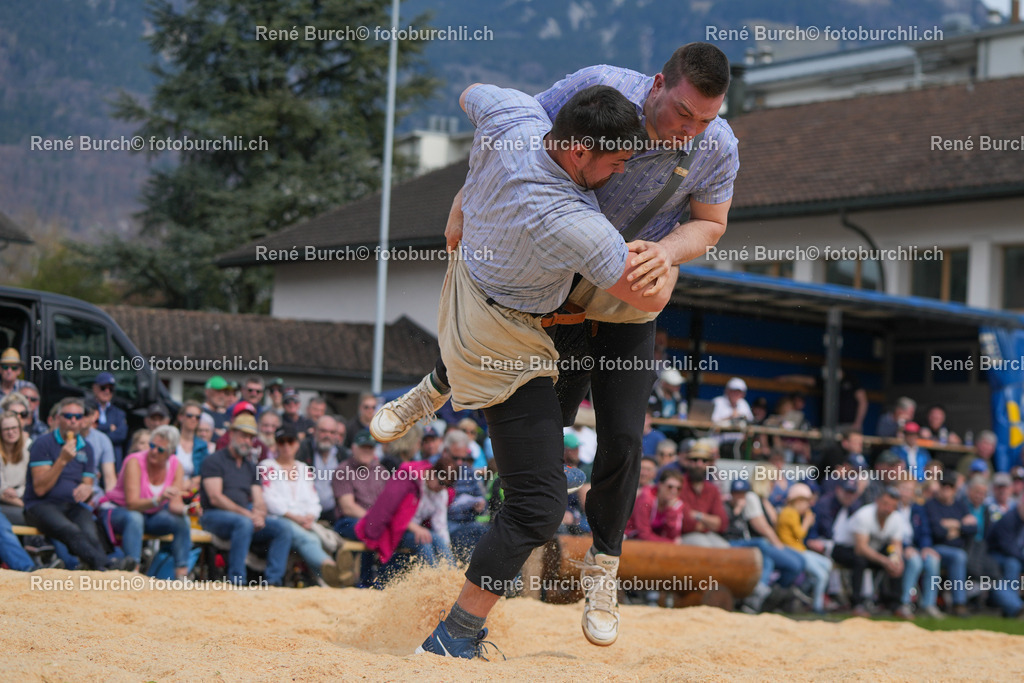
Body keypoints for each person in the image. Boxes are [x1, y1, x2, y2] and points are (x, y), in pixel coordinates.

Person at [375, 43, 736, 655]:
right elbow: (519, 135)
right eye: (682, 114)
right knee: (540, 434)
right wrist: (469, 196)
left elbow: (712, 223)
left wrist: (669, 255)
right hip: (563, 275)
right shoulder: (592, 94)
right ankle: (442, 392)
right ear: (655, 85)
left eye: (705, 118)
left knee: (624, 437)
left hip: (630, 279)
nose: (691, 130)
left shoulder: (715, 144)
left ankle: (603, 567)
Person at [23, 398, 129, 570]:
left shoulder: (86, 447)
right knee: (70, 530)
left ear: (83, 420)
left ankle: (98, 567)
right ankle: (107, 566)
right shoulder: (43, 443)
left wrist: (87, 489)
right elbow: (40, 489)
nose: (73, 421)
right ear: (58, 418)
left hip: (71, 505)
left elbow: (87, 484)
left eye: (78, 416)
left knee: (91, 532)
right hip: (40, 505)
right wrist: (62, 461)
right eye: (68, 416)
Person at [199, 413, 292, 586]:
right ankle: (237, 580)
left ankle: (273, 582)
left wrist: (259, 514)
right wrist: (248, 515)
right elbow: (215, 498)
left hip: (243, 517)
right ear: (231, 434)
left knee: (283, 528)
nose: (247, 441)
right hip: (213, 516)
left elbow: (258, 499)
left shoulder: (250, 466)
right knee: (243, 523)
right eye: (243, 435)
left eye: (250, 438)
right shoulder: (214, 461)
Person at [98, 425, 193, 577]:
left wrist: (189, 510)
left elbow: (175, 504)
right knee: (135, 518)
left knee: (183, 521)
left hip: (149, 515)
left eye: (160, 449)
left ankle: (182, 574)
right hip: (119, 511)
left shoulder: (176, 465)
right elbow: (132, 503)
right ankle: (133, 571)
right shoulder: (134, 461)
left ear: (170, 452)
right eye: (152, 446)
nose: (154, 451)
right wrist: (158, 499)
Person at [258, 423, 344, 587]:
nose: (285, 446)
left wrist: (310, 516)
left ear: (297, 444)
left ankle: (329, 577)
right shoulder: (267, 466)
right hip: (278, 519)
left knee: (310, 538)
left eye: (290, 441)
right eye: (281, 442)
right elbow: (269, 500)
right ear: (276, 444)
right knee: (308, 539)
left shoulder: (303, 468)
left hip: (304, 520)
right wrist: (296, 518)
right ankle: (331, 570)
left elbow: (314, 500)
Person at [355, 456, 459, 584]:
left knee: (438, 540)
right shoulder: (408, 480)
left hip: (414, 529)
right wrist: (415, 528)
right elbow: (389, 511)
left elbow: (440, 526)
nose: (443, 488)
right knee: (424, 542)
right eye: (442, 483)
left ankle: (452, 579)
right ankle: (435, 582)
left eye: (447, 486)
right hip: (393, 529)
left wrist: (446, 548)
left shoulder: (441, 493)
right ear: (432, 472)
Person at [724, 478, 805, 613]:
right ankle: (763, 594)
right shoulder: (737, 503)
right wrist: (737, 510)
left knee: (776, 560)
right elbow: (761, 527)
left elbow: (774, 522)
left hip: (753, 545)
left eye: (742, 493)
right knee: (769, 549)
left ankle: (768, 597)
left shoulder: (762, 501)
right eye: (736, 492)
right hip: (737, 544)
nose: (740, 496)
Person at [831, 487, 905, 617]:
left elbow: (896, 545)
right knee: (860, 560)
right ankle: (857, 604)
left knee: (895, 562)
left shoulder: (897, 519)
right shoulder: (864, 515)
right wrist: (885, 561)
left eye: (892, 506)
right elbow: (861, 548)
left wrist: (896, 560)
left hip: (869, 551)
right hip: (843, 549)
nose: (888, 509)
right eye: (885, 504)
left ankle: (895, 604)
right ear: (877, 501)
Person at [776, 483, 833, 614]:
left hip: (799, 550)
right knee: (821, 575)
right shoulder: (789, 512)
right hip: (793, 551)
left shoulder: (792, 512)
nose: (808, 506)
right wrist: (806, 522)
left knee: (828, 564)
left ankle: (805, 591)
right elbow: (800, 534)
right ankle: (817, 606)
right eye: (806, 502)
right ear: (798, 500)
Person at [894, 479, 944, 620]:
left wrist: (926, 548)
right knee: (915, 561)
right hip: (895, 547)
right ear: (897, 489)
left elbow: (925, 532)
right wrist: (904, 548)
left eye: (910, 489)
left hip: (915, 547)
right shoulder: (892, 506)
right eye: (903, 488)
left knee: (932, 560)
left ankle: (928, 604)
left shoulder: (918, 509)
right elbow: (890, 534)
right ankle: (905, 603)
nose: (906, 493)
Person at [924, 471, 972, 616]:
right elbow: (937, 532)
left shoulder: (960, 505)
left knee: (959, 556)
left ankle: (958, 603)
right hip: (935, 548)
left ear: (954, 489)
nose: (946, 489)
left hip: (956, 548)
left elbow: (973, 528)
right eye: (943, 485)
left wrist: (954, 525)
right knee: (959, 556)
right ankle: (959, 603)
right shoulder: (931, 505)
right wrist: (960, 526)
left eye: (950, 486)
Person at [677, 440, 729, 548]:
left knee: (726, 548)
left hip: (706, 534)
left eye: (704, 460)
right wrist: (709, 522)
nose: (699, 464)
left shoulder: (712, 489)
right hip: (681, 537)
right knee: (704, 546)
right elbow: (686, 523)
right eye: (695, 460)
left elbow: (722, 523)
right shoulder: (678, 485)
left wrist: (697, 515)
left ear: (710, 463)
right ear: (688, 461)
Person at [985, 496, 1024, 617]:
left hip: (1010, 558)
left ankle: (1012, 606)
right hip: (992, 556)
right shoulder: (1009, 519)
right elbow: (1007, 547)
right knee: (1011, 565)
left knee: (1013, 564)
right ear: (1020, 505)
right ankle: (1016, 607)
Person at [626, 469, 685, 542]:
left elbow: (673, 535)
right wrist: (671, 544)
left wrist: (671, 511)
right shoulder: (646, 499)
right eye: (670, 487)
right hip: (631, 538)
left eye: (678, 488)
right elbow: (643, 535)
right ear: (660, 485)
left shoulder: (676, 505)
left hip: (654, 540)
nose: (674, 491)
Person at [91, 372, 127, 467]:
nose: (107, 391)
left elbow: (121, 435)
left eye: (111, 389)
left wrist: (98, 428)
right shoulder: (88, 409)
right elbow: (87, 430)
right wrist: (108, 427)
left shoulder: (119, 413)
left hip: (113, 461)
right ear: (95, 388)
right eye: (103, 388)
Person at [1, 410, 31, 525]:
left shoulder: (26, 454)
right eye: (6, 429)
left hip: (20, 497)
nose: (11, 432)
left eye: (14, 428)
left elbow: (28, 483)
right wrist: (21, 503)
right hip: (5, 503)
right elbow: (2, 491)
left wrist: (18, 493)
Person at [175, 401, 209, 491]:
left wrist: (192, 482)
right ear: (180, 417)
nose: (194, 419)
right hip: (170, 486)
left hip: (191, 490)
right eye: (189, 416)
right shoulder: (170, 441)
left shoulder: (202, 445)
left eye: (198, 417)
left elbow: (206, 471)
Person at [201, 375, 233, 440]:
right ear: (207, 392)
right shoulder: (199, 413)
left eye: (225, 392)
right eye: (218, 391)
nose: (222, 395)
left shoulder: (226, 415)